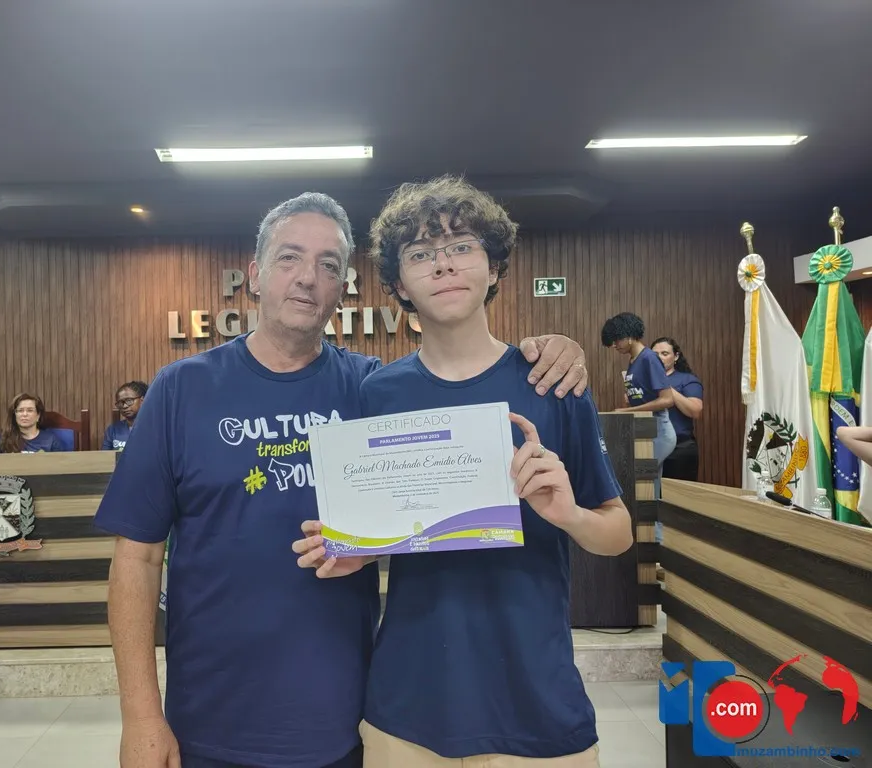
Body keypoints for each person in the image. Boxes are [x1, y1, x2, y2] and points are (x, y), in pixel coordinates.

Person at [93, 190, 593, 768]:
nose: (308, 277)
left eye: (328, 265)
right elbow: (136, 559)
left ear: (343, 287)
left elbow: (456, 421)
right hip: (209, 719)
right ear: (255, 275)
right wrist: (141, 717)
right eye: (289, 257)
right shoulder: (181, 389)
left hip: (346, 720)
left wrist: (556, 350)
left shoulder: (374, 392)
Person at [293, 176, 630, 767]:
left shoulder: (552, 382)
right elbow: (388, 525)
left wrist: (569, 514)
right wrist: (355, 549)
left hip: (536, 699)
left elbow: (617, 532)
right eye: (421, 253)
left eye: (461, 246)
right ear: (399, 284)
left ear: (494, 267)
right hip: (410, 704)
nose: (444, 264)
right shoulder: (378, 394)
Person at [601, 313, 676, 484]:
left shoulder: (649, 358)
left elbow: (667, 400)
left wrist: (626, 411)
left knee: (638, 479)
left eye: (617, 340)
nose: (614, 345)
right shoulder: (634, 361)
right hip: (645, 428)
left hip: (658, 430)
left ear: (629, 336)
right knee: (649, 484)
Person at [650, 337, 703, 481]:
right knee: (649, 492)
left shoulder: (687, 380)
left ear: (676, 356)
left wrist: (665, 386)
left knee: (678, 494)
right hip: (649, 446)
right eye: (655, 355)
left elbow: (695, 411)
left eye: (665, 353)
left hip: (679, 450)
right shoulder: (646, 380)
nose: (659, 358)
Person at [0, 392, 65, 453]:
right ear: (14, 415)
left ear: (38, 415)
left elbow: (60, 464)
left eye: (30, 410)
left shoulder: (50, 440)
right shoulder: (1, 438)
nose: (25, 414)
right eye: (20, 410)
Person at [104, 380, 148, 451]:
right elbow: (105, 456)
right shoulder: (113, 430)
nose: (124, 406)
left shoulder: (155, 428)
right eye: (120, 403)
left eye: (129, 401)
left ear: (142, 401)